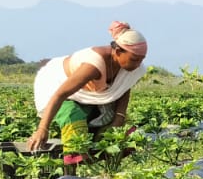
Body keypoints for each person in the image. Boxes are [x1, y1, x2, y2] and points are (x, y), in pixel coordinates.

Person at [28, 21, 149, 164]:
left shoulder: (132, 66)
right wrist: (42, 129)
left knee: (123, 129)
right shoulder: (93, 65)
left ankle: (107, 165)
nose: (137, 64)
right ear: (117, 52)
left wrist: (118, 118)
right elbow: (60, 94)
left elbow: (122, 88)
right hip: (57, 85)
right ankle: (71, 174)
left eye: (141, 59)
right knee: (72, 114)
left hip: (92, 93)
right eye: (134, 59)